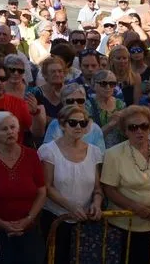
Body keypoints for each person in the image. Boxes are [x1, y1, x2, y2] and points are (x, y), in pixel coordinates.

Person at [100, 105, 150, 264]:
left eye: (144, 126)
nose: (139, 131)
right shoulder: (113, 154)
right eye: (133, 127)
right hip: (126, 226)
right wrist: (135, 207)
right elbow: (109, 189)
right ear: (125, 131)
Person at [38, 104, 109, 264]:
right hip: (56, 219)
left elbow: (98, 188)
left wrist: (97, 204)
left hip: (85, 220)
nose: (78, 127)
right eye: (73, 122)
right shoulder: (48, 150)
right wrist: (70, 207)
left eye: (83, 123)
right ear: (62, 124)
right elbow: (47, 187)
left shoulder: (94, 151)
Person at [0, 111, 46, 264]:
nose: (10, 132)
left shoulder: (31, 155)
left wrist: (28, 219)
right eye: (4, 129)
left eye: (13, 127)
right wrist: (1, 223)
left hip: (28, 229)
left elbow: (41, 191)